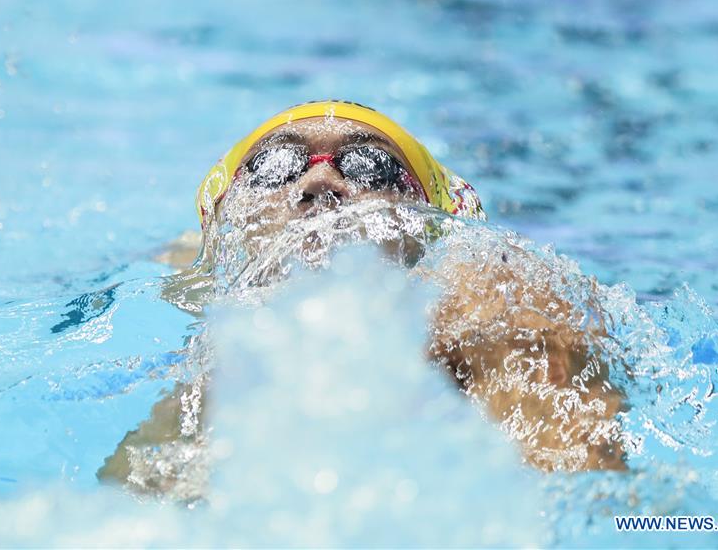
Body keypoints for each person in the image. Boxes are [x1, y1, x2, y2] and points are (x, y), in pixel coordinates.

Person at [98, 101, 626, 495]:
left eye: (370, 167)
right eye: (273, 167)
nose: (320, 179)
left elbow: (588, 494)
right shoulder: (180, 303)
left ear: (430, 221)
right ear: (226, 214)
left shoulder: (487, 296)